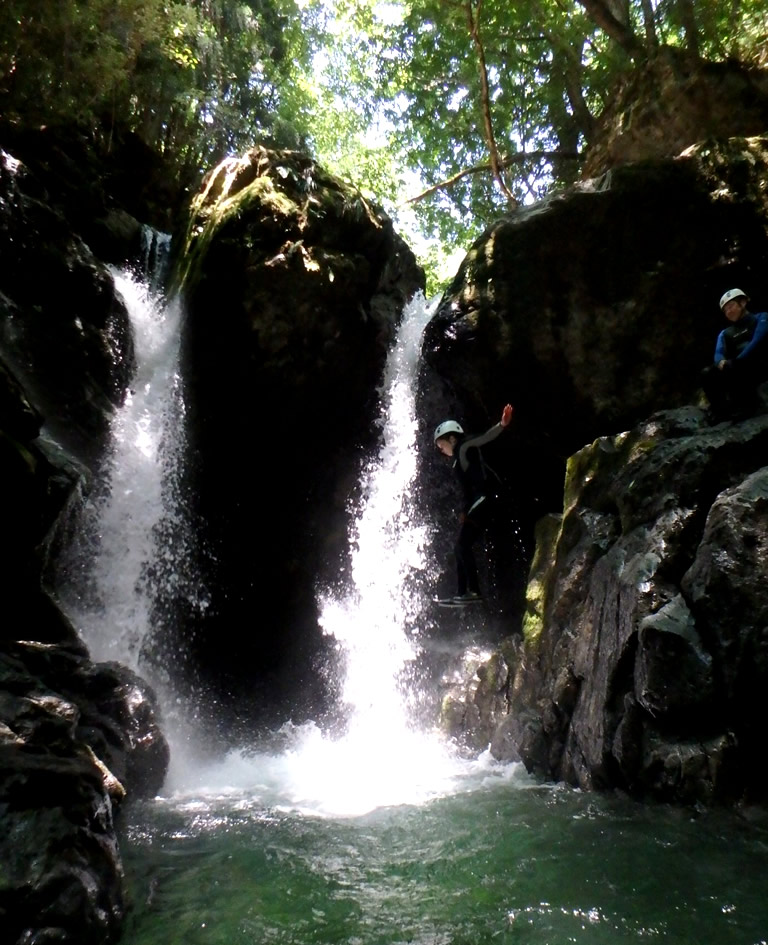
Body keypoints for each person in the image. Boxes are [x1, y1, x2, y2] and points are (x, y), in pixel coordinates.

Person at [433, 403, 514, 606]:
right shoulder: (457, 463)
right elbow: (467, 491)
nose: (441, 450)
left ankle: (473, 591)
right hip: (478, 502)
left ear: (452, 438)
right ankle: (462, 593)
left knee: (462, 546)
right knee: (460, 547)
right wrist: (464, 511)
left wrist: (502, 424)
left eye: (441, 445)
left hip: (486, 498)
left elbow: (484, 437)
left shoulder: (463, 446)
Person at [702, 288, 768, 420]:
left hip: (760, 365)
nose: (728, 311)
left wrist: (738, 361)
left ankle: (749, 406)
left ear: (743, 303)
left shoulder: (762, 317)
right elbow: (719, 352)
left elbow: (758, 340)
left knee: (737, 364)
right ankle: (721, 411)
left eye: (731, 306)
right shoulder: (725, 333)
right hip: (737, 370)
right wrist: (721, 362)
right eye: (725, 310)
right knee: (707, 372)